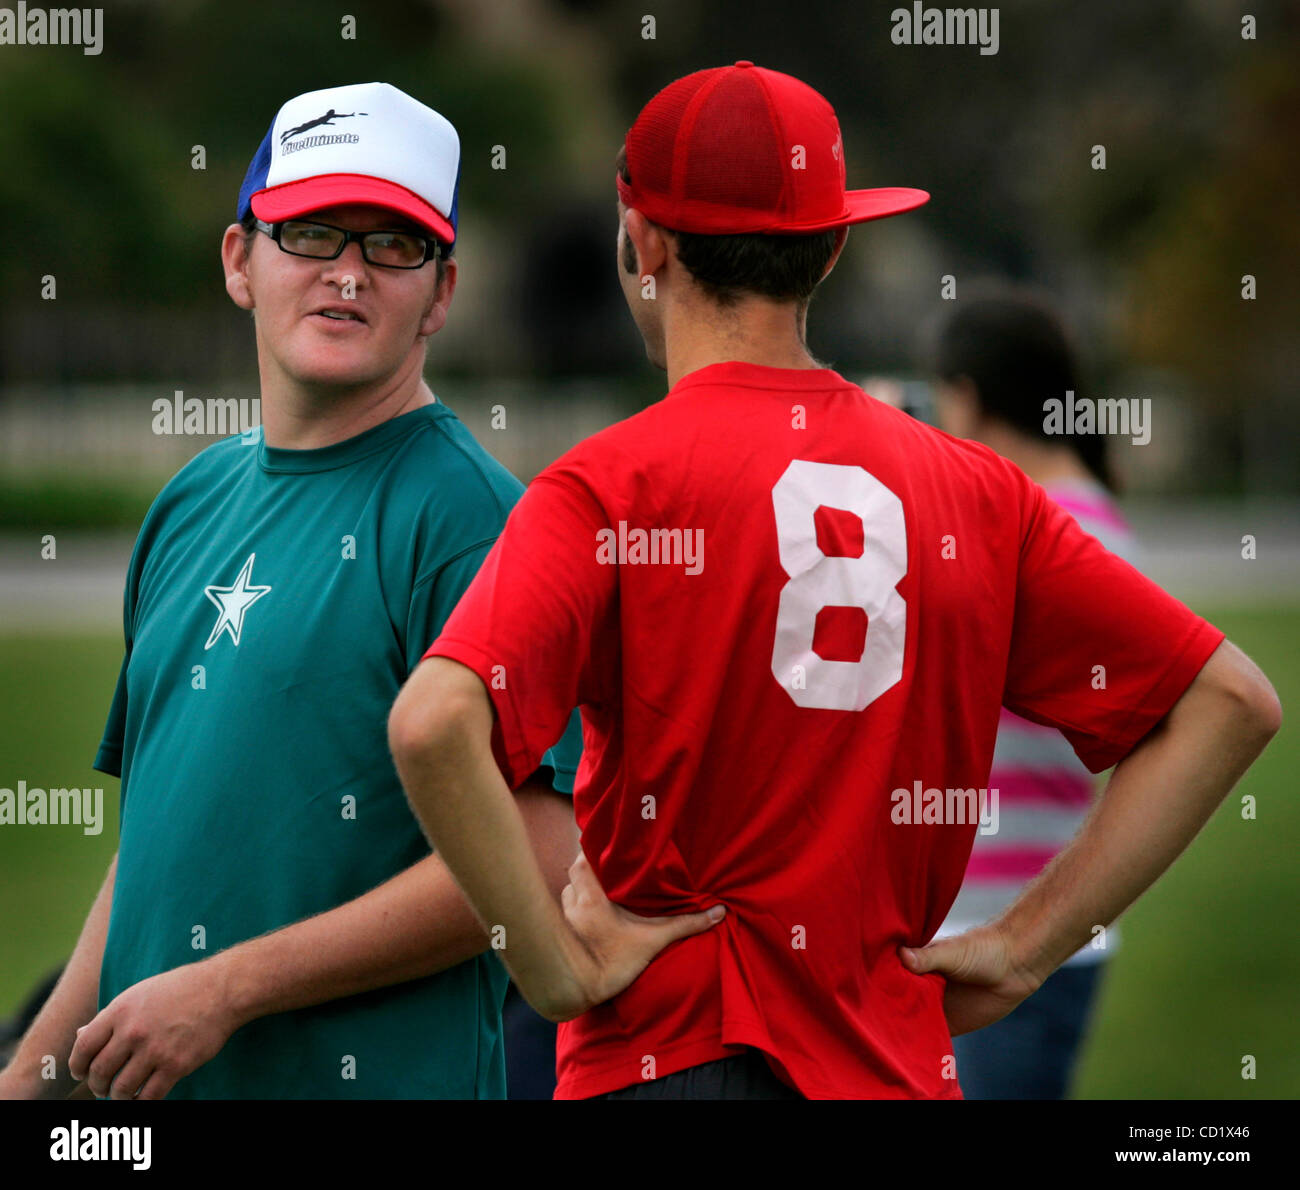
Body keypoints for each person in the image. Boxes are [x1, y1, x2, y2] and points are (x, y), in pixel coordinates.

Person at [387, 62, 1281, 1100]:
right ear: (834, 244)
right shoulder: (977, 489)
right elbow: (1227, 701)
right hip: (891, 1068)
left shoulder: (609, 483)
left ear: (644, 241)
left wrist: (550, 968)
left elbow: (432, 724)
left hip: (667, 1056)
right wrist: (1029, 942)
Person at [0, 81, 584, 1101]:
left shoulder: (470, 521)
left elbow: (538, 862)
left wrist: (226, 989)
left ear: (441, 293)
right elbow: (148, 863)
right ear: (240, 260)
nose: (347, 273)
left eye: (393, 244)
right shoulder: (190, 502)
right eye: (311, 231)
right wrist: (30, 1079)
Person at [928, 286, 1134, 1098]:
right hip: (1020, 918)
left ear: (970, 397)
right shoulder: (1080, 512)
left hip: (1015, 924)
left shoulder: (1045, 527)